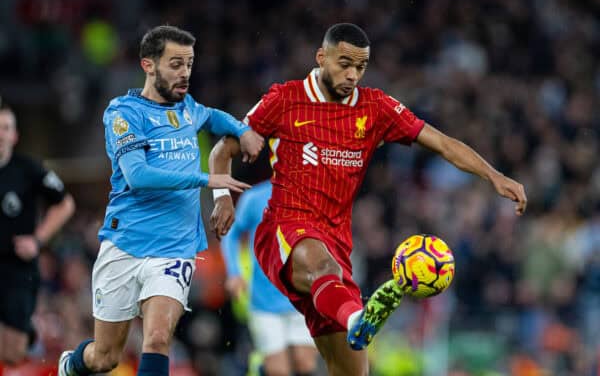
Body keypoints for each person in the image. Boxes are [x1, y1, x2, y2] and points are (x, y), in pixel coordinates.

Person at [209, 23, 527, 375]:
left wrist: (493, 175)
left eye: (360, 67)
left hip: (336, 244)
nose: (352, 75)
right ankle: (360, 317)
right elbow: (222, 150)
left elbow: (442, 143)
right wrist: (222, 197)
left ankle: (353, 316)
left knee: (352, 371)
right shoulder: (284, 99)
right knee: (323, 270)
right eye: (344, 63)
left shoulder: (375, 108)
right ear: (321, 57)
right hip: (284, 229)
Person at [58, 25, 264, 376]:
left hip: (175, 247)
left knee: (156, 339)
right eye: (175, 64)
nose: (184, 73)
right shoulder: (123, 113)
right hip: (125, 244)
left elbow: (214, 116)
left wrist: (242, 130)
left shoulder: (188, 108)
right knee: (105, 357)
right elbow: (138, 175)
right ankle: (72, 364)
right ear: (148, 66)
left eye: (189, 64)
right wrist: (207, 179)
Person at [0, 104, 76, 364]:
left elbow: (65, 203)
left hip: (17, 268)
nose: (0, 134)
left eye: (5, 128)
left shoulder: (28, 169)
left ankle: (27, 333)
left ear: (14, 136)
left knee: (12, 354)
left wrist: (38, 239)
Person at [218, 180, 318, 376]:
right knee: (279, 371)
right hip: (264, 301)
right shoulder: (255, 198)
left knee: (305, 364)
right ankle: (262, 368)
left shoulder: (310, 196)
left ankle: (261, 366)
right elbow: (231, 233)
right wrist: (234, 273)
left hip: (302, 298)